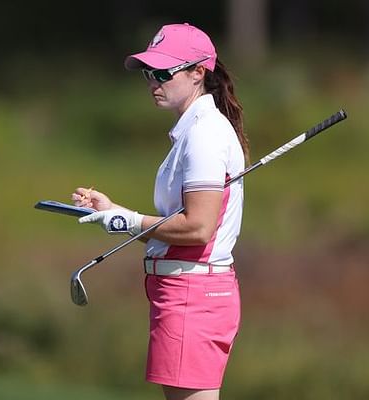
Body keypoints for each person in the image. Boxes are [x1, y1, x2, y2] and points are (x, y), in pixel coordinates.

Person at [72, 22, 249, 400]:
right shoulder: (192, 130)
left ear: (198, 72)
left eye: (164, 72)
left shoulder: (204, 134)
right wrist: (114, 209)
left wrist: (127, 222)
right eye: (149, 73)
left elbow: (198, 228)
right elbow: (181, 218)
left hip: (193, 294)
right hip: (182, 291)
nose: (153, 81)